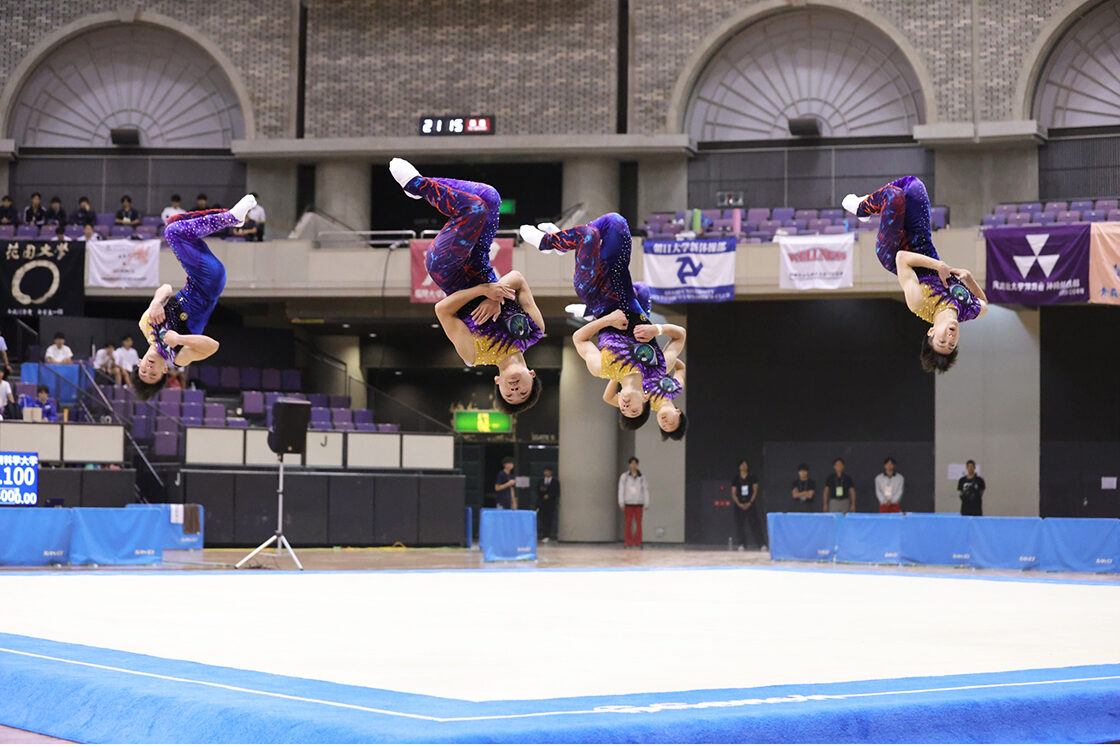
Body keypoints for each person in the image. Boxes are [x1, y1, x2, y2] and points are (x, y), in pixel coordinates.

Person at [390, 158, 544, 413]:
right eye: (523, 391)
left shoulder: (473, 355)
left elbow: (442, 310)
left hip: (448, 269)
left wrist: (483, 291)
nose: (515, 389)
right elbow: (517, 278)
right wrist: (495, 297)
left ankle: (418, 185)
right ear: (532, 374)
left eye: (509, 394)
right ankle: (418, 188)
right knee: (490, 197)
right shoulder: (534, 330)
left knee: (473, 209)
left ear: (497, 383)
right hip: (479, 258)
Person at [522, 215, 684, 431]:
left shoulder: (603, 369)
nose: (625, 406)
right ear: (646, 399)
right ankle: (562, 242)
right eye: (633, 410)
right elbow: (680, 335)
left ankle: (548, 243)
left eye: (623, 410)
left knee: (588, 236)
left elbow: (579, 338)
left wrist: (607, 320)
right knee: (616, 221)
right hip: (620, 283)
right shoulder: (658, 367)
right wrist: (657, 329)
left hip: (594, 292)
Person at [842, 176, 987, 373]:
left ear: (931, 331)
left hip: (893, 251)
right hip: (921, 243)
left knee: (893, 196)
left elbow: (902, 258)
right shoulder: (968, 310)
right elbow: (984, 302)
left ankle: (863, 208)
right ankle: (874, 203)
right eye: (951, 345)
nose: (949, 338)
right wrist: (969, 278)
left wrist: (939, 266)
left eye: (941, 341)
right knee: (914, 185)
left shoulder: (918, 303)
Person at [133, 194, 257, 400]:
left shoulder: (145, 325)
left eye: (143, 371)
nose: (149, 368)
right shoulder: (180, 357)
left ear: (138, 363)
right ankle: (232, 218)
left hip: (195, 278)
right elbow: (213, 346)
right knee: (173, 232)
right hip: (209, 284)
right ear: (164, 371)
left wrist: (156, 303)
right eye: (153, 374)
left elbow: (165, 288)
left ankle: (233, 217)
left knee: (175, 223)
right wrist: (179, 338)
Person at [730, 459, 766, 551]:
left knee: (755, 524)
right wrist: (739, 503)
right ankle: (741, 544)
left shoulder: (752, 477)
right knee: (740, 525)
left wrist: (750, 502)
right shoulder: (736, 478)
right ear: (739, 467)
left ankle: (761, 544)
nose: (743, 466)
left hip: (750, 504)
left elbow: (755, 491)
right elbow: (733, 492)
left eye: (745, 464)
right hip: (739, 504)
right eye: (742, 465)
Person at [618, 456, 650, 548]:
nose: (633, 465)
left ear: (637, 464)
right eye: (632, 463)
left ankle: (638, 542)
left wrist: (646, 502)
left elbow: (645, 490)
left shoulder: (642, 477)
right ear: (629, 465)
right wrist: (621, 502)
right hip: (628, 503)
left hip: (639, 503)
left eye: (635, 463)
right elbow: (621, 489)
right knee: (628, 524)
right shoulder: (624, 477)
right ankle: (628, 542)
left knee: (639, 524)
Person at [536, 466, 560, 542]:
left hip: (550, 504)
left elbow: (557, 492)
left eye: (548, 471)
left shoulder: (555, 482)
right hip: (541, 503)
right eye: (545, 471)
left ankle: (547, 535)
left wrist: (549, 495)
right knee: (541, 519)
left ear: (551, 472)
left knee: (549, 519)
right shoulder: (540, 481)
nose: (547, 473)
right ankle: (542, 534)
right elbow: (536, 490)